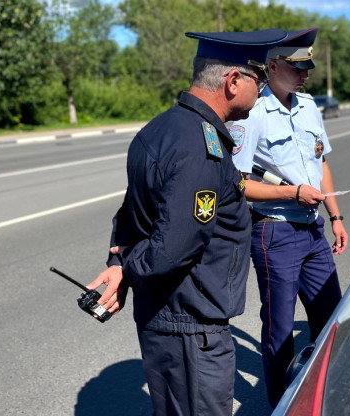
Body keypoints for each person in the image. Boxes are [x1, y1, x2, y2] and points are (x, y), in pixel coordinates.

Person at [86, 28, 288, 416]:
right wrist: (127, 264)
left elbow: (131, 212)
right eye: (260, 81)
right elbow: (171, 249)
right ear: (233, 81)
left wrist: (119, 264)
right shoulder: (201, 148)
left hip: (169, 321)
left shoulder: (162, 128)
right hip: (191, 330)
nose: (262, 92)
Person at [229, 27, 348, 408]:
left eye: (308, 66)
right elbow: (239, 184)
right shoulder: (252, 114)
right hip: (275, 233)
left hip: (313, 230)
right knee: (280, 331)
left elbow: (321, 162)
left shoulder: (309, 106)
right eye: (297, 67)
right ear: (273, 65)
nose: (306, 73)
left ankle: (324, 396)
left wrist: (336, 217)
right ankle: (284, 405)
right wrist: (292, 192)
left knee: (332, 320)